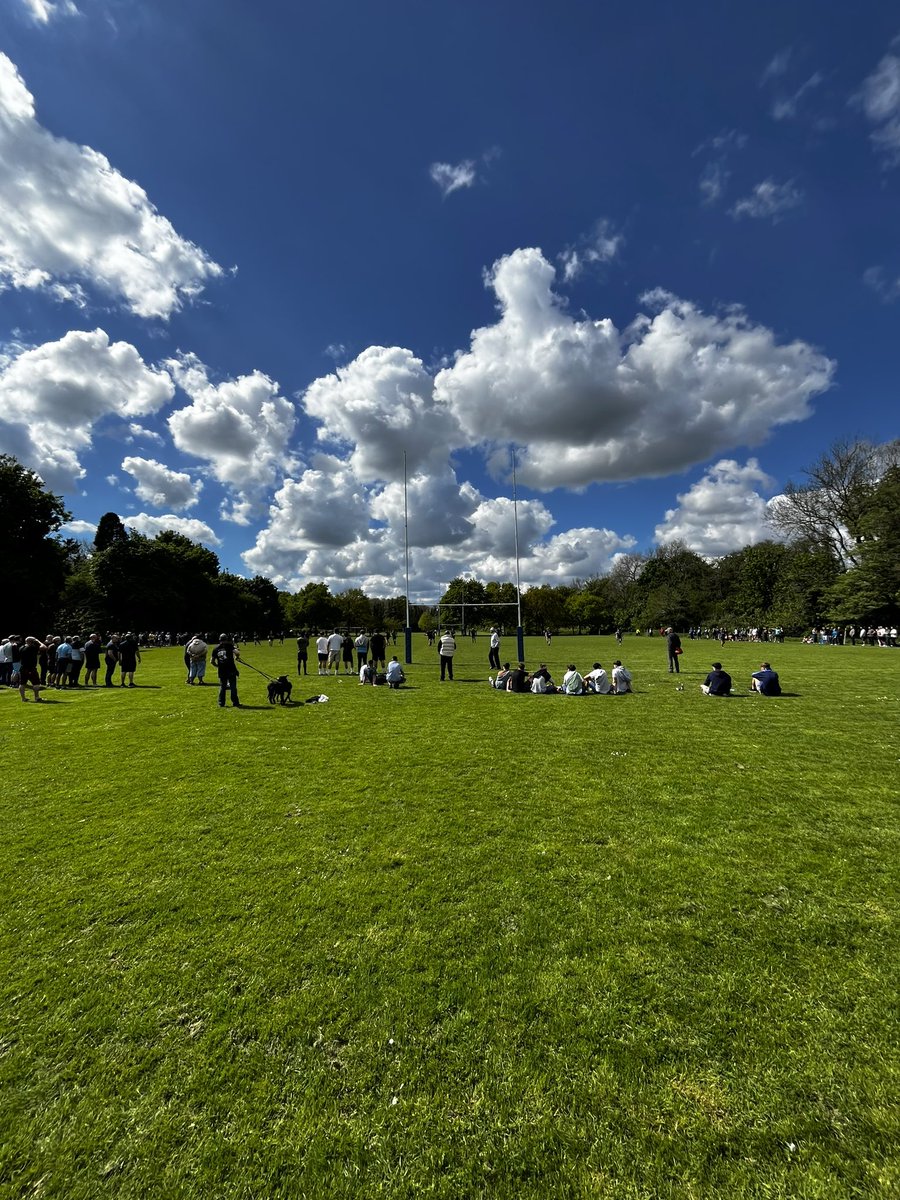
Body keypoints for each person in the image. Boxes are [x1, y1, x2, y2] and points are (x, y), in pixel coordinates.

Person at [211, 634, 241, 707]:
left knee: (222, 687)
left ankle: (221, 703)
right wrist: (236, 657)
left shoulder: (216, 649)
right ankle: (235, 703)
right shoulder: (230, 646)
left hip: (222, 670)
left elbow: (212, 661)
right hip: (231, 669)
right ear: (226, 639)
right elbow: (237, 652)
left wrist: (217, 666)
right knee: (233, 687)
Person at [17, 636, 46, 702]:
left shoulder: (21, 647)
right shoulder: (32, 647)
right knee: (36, 683)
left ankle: (23, 698)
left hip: (23, 667)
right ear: (32, 641)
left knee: (22, 683)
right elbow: (44, 647)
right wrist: (38, 641)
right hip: (31, 668)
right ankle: (37, 697)